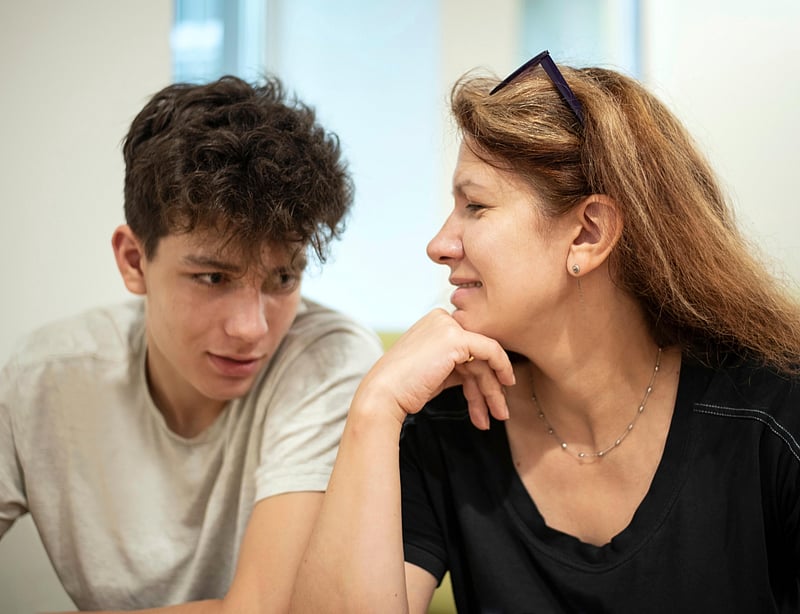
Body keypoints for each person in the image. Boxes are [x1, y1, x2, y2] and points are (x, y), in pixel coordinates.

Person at [290, 51, 800, 613]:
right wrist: (375, 408)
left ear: (588, 233)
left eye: (475, 206)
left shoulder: (773, 420)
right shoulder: (449, 424)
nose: (438, 244)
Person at [0, 75, 383, 612]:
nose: (251, 329)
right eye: (212, 278)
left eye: (282, 279)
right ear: (134, 261)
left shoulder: (330, 362)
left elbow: (257, 611)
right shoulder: (45, 376)